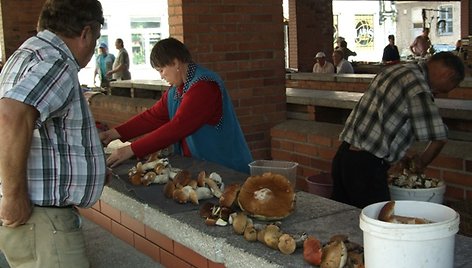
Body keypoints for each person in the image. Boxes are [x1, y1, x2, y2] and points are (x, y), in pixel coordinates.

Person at [0, 0, 108, 267]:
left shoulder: (26, 54)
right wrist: (14, 198)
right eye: (95, 38)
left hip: (36, 222)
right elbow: (11, 116)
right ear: (86, 33)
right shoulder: (56, 62)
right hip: (44, 221)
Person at [331, 52, 465, 208]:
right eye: (451, 87)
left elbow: (386, 121)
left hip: (345, 155)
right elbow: (439, 137)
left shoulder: (397, 70)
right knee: (379, 224)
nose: (446, 93)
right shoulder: (418, 86)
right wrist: (419, 166)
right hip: (365, 167)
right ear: (448, 75)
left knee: (341, 216)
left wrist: (399, 156)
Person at [100, 37, 253, 173]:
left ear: (175, 62)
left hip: (226, 169)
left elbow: (178, 126)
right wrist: (113, 134)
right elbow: (153, 116)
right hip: (202, 168)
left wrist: (131, 149)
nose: (161, 76)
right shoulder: (176, 91)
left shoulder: (204, 86)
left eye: (162, 70)